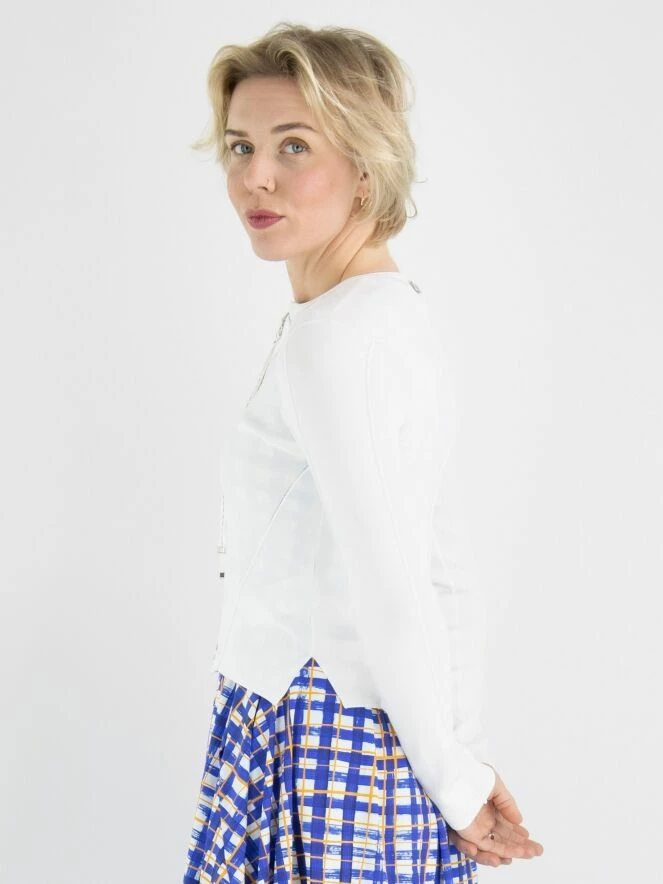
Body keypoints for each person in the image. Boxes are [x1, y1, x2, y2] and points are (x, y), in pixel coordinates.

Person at [182, 21, 544, 882]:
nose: (255, 177)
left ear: (367, 167)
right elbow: (443, 567)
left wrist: (455, 776)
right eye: (240, 146)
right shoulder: (389, 314)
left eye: (293, 146)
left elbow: (395, 581)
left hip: (313, 737)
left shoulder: (336, 337)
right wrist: (458, 756)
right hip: (372, 738)